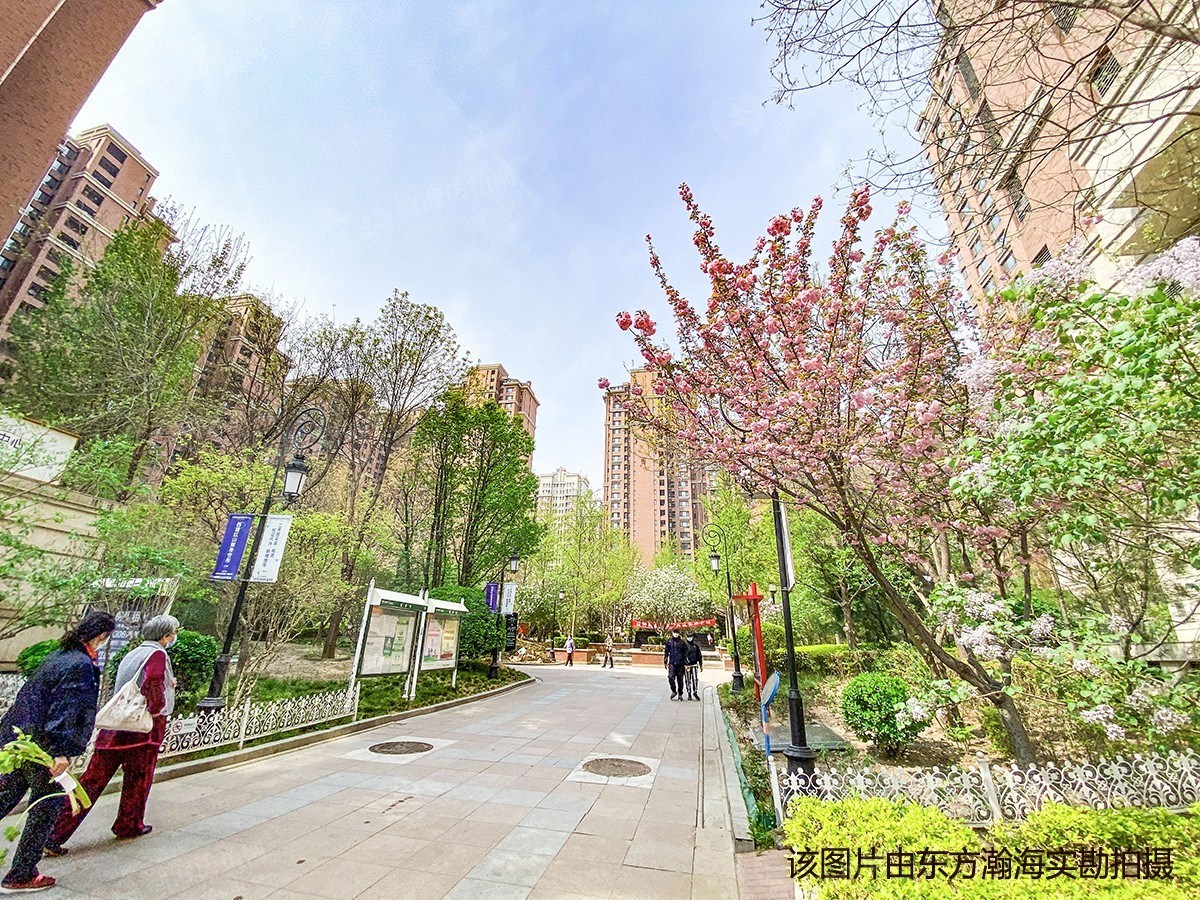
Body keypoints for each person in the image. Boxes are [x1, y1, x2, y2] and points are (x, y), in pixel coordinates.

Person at [0, 610, 115, 893]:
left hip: (24, 740)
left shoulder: (60, 655)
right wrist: (61, 751)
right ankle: (21, 874)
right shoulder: (80, 664)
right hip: (45, 747)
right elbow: (68, 708)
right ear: (102, 635)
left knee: (6, 796)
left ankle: (22, 871)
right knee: (45, 806)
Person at [47, 615, 180, 856]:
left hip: (115, 728)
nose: (174, 636)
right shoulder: (157, 654)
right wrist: (156, 708)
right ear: (165, 635)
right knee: (138, 779)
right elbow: (152, 683)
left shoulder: (133, 653)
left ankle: (54, 832)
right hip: (141, 730)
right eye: (173, 632)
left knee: (91, 781)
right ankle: (129, 823)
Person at [663, 630, 687, 700]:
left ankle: (680, 694)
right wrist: (665, 660)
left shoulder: (682, 642)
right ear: (672, 633)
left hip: (680, 664)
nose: (676, 634)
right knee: (670, 677)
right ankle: (673, 690)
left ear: (679, 633)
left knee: (680, 680)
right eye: (674, 633)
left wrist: (685, 662)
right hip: (672, 663)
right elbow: (666, 652)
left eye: (677, 633)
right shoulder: (669, 642)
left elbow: (686, 652)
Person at [684, 633, 704, 700]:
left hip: (694, 665)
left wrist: (701, 665)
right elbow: (682, 655)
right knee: (688, 680)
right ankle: (689, 693)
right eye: (688, 636)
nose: (689, 638)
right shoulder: (684, 646)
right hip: (687, 666)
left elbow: (699, 656)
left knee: (695, 679)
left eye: (691, 636)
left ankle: (695, 692)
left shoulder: (695, 646)